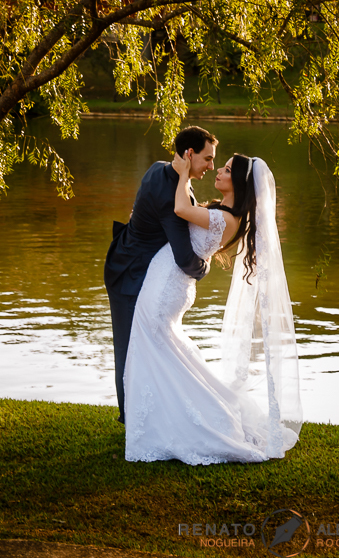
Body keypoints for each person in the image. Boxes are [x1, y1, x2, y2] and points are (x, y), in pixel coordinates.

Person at [123, 151, 303, 464]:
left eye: (227, 169)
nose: (218, 170)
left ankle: (191, 422)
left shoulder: (225, 219)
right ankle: (160, 422)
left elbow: (180, 208)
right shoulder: (223, 214)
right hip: (169, 283)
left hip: (168, 286)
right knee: (165, 353)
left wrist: (181, 173)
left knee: (156, 349)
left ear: (239, 183)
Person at [103, 126, 217, 423]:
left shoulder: (159, 168)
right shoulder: (170, 195)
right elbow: (183, 258)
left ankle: (153, 411)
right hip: (130, 273)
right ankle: (131, 419)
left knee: (146, 345)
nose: (211, 166)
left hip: (131, 260)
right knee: (128, 350)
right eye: (207, 158)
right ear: (189, 154)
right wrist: (205, 267)